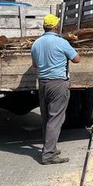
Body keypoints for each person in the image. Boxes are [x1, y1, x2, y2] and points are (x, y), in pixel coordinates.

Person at [30, 13, 80, 165]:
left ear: (44, 27)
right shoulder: (61, 42)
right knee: (56, 119)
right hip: (58, 83)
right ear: (56, 27)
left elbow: (35, 64)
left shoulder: (36, 44)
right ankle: (49, 155)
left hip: (43, 83)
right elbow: (77, 59)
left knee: (46, 117)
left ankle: (49, 148)